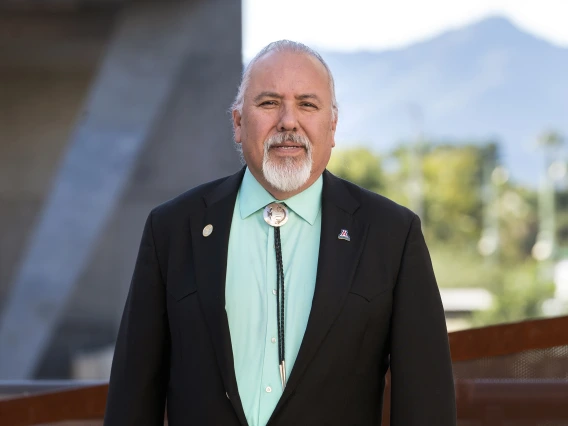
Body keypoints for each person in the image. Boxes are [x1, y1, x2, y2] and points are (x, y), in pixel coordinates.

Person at [104, 40, 456, 426]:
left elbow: (426, 402)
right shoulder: (172, 228)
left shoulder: (392, 234)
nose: (289, 121)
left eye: (307, 104)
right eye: (269, 103)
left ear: (333, 125)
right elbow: (132, 397)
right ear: (238, 123)